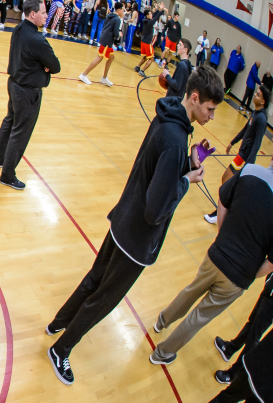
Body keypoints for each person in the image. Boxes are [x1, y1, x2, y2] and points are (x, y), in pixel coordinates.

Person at [46, 67, 224, 385]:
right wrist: (187, 180)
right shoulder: (176, 139)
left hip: (123, 217)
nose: (211, 117)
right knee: (105, 298)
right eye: (210, 109)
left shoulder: (167, 117)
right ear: (195, 98)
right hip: (137, 237)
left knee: (94, 280)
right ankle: (61, 349)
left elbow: (155, 170)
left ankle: (58, 323)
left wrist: (186, 165)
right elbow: (156, 209)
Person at [149, 153, 273, 366]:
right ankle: (161, 354)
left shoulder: (250, 170)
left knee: (191, 291)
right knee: (199, 317)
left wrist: (222, 236)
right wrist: (248, 273)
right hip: (238, 277)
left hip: (216, 254)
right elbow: (271, 263)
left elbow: (222, 201)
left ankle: (161, 322)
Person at [0, 0, 62, 190]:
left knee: (9, 122)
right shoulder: (38, 40)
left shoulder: (18, 29)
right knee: (20, 133)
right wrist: (44, 67)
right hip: (28, 92)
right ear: (32, 14)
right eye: (44, 12)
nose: (46, 16)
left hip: (14, 84)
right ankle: (7, 175)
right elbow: (55, 66)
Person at [204, 85, 269, 224]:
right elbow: (245, 130)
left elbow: (256, 145)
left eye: (258, 94)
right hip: (241, 155)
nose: (255, 94)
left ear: (263, 101)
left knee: (226, 182)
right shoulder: (255, 114)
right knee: (227, 182)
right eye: (256, 92)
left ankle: (220, 213)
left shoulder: (262, 119)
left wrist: (248, 166)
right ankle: (227, 212)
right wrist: (232, 142)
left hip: (245, 158)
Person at [215, 273, 273, 385]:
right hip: (269, 289)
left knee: (254, 337)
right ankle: (229, 349)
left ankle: (234, 374)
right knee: (251, 323)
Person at [78, 1, 124, 87]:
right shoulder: (117, 19)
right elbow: (115, 33)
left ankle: (104, 78)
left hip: (104, 37)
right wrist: (119, 34)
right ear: (119, 10)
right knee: (99, 58)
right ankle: (83, 75)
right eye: (123, 10)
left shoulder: (109, 15)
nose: (123, 12)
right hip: (107, 40)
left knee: (111, 58)